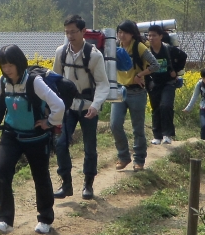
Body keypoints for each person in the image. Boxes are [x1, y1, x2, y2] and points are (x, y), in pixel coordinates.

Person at [0, 45, 65, 235]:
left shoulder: (34, 82)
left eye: (11, 65)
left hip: (36, 137)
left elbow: (58, 105)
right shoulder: (3, 82)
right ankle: (5, 220)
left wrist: (49, 122)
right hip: (11, 135)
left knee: (40, 176)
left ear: (19, 63)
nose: (7, 69)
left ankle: (45, 218)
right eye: (4, 65)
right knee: (2, 171)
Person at [52, 15, 110, 200]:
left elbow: (102, 83)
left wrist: (96, 105)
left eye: (73, 31)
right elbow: (55, 79)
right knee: (61, 144)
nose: (70, 35)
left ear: (83, 31)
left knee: (90, 146)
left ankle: (88, 185)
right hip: (68, 106)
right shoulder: (61, 52)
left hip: (88, 106)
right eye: (67, 32)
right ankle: (66, 184)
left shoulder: (94, 55)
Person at [110, 20, 157, 171]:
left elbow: (155, 65)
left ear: (132, 34)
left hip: (136, 92)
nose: (121, 35)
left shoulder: (139, 47)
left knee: (138, 128)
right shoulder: (115, 47)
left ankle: (139, 160)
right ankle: (123, 156)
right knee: (115, 124)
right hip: (118, 90)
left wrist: (141, 74)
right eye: (119, 32)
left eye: (124, 32)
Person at [145, 24, 185, 145]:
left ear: (161, 36)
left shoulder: (168, 49)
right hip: (154, 84)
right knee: (155, 108)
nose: (151, 38)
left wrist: (176, 71)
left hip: (168, 83)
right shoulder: (146, 51)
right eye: (149, 35)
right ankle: (157, 136)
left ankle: (167, 134)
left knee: (166, 106)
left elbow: (183, 56)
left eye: (154, 35)